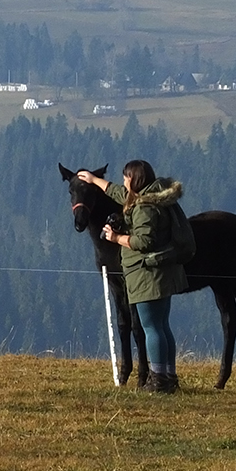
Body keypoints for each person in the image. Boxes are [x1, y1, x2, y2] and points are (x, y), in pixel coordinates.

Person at [76, 159, 194, 393]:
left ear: (135, 180)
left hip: (147, 273)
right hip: (161, 271)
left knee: (151, 327)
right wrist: (95, 180)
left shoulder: (144, 208)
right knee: (162, 326)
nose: (123, 182)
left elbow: (143, 241)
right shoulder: (153, 197)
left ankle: (159, 381)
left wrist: (116, 239)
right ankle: (168, 377)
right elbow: (120, 194)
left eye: (126, 177)